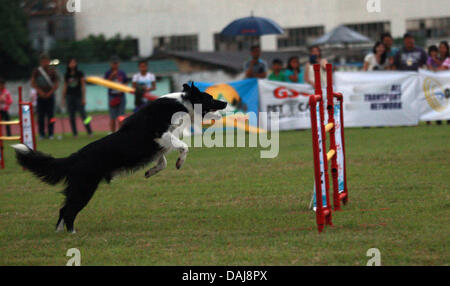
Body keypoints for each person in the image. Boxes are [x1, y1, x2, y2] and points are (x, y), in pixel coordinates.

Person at [31, 53, 59, 139]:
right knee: (40, 116)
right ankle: (41, 134)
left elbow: (56, 84)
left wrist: (50, 92)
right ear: (40, 62)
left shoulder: (53, 71)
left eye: (46, 61)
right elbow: (33, 83)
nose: (45, 63)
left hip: (50, 96)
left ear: (49, 61)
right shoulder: (37, 71)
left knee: (51, 116)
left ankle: (51, 133)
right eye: (43, 61)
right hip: (40, 96)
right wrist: (40, 92)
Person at [62, 58, 93, 137]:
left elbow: (83, 86)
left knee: (84, 115)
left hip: (78, 96)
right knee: (71, 116)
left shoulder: (80, 73)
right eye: (71, 63)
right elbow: (65, 86)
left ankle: (89, 131)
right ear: (68, 64)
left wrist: (83, 98)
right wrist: (63, 98)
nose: (72, 64)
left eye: (74, 63)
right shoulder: (67, 74)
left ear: (76, 64)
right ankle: (75, 133)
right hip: (69, 97)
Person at [104, 56, 128, 133]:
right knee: (112, 117)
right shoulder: (108, 73)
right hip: (112, 96)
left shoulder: (122, 73)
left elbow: (126, 82)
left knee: (121, 116)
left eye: (116, 63)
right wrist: (111, 76)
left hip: (121, 96)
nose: (115, 65)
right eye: (113, 63)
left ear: (119, 63)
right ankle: (112, 133)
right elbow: (105, 83)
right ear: (110, 64)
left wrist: (123, 88)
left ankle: (120, 132)